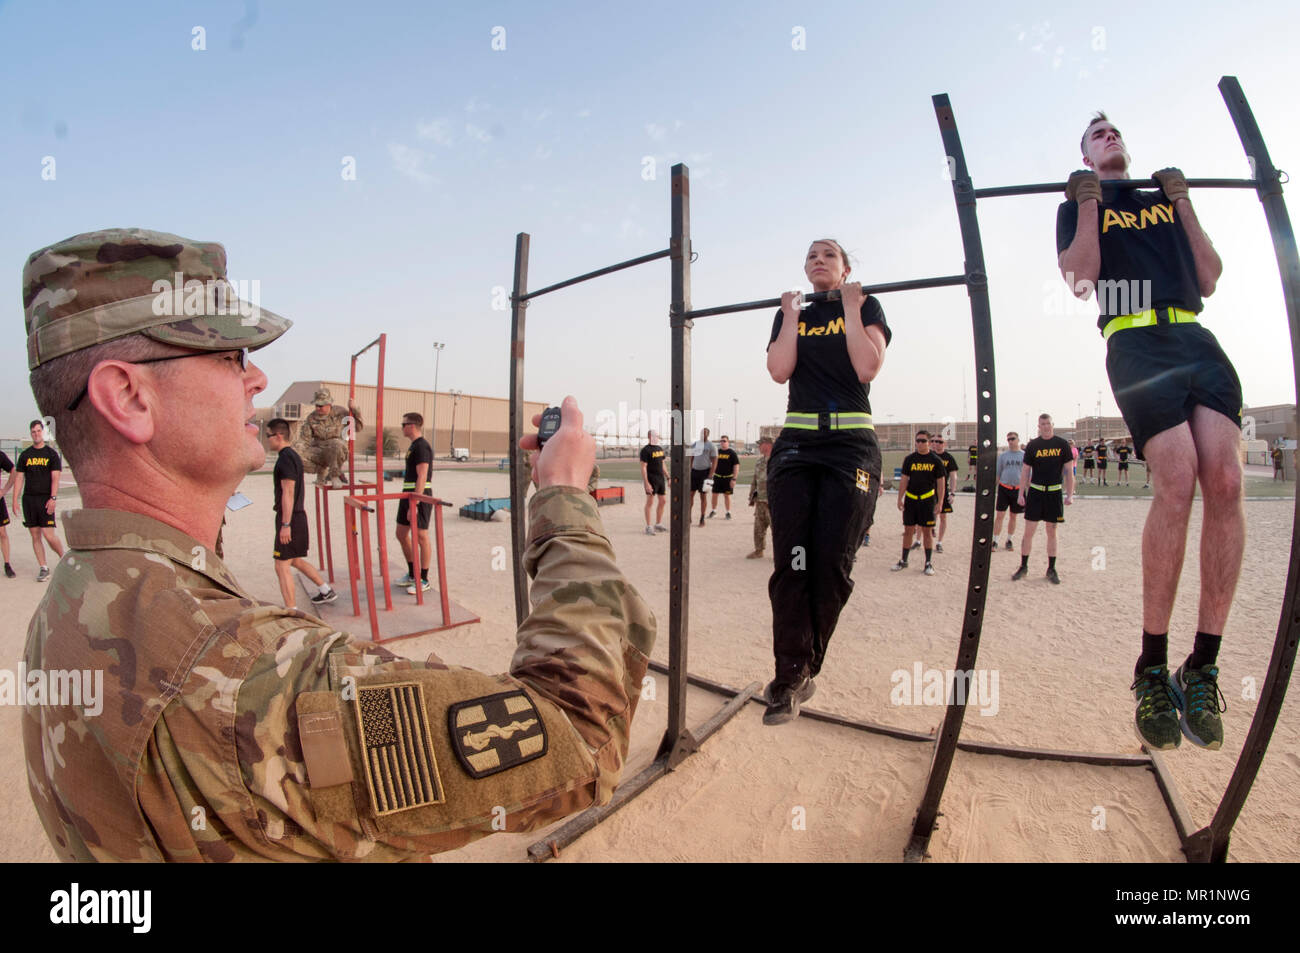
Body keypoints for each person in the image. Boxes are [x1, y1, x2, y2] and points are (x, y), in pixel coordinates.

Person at [21, 228, 654, 861]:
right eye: (229, 357)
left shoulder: (69, 605)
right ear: (129, 396)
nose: (257, 376)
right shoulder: (250, 676)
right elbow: (578, 736)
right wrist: (564, 498)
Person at [1058, 113, 1242, 751]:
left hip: (1192, 334)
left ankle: (1204, 663)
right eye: (1095, 133)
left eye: (1113, 130)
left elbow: (1210, 277)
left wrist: (1183, 201)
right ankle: (1152, 664)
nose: (1108, 135)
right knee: (1178, 476)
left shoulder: (1161, 201)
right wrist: (1087, 203)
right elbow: (1082, 282)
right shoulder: (1080, 203)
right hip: (1134, 341)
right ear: (1082, 153)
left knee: (1225, 476)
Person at [764, 238, 890, 725]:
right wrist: (791, 316)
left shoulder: (866, 304)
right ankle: (790, 675)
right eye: (811, 256)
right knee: (791, 564)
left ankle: (806, 663)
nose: (818, 260)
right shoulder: (791, 314)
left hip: (850, 446)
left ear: (845, 268)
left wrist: (853, 308)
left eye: (828, 256)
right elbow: (779, 371)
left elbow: (867, 365)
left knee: (831, 564)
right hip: (796, 445)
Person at [266, 418, 335, 608]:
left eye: (268, 436)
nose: (267, 440)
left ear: (278, 436)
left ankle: (292, 610)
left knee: (281, 565)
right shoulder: (292, 456)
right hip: (296, 516)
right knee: (295, 560)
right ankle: (325, 590)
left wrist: (285, 525)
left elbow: (288, 492)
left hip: (291, 518)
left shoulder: (285, 459)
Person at [1012, 414, 1073, 585]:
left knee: (1051, 531)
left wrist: (1070, 494)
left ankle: (1051, 569)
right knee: (1029, 531)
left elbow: (1069, 471)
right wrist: (1020, 494)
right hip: (1036, 493)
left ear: (1052, 424)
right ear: (1038, 426)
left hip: (1054, 493)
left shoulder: (1062, 445)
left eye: (1048, 423)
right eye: (1042, 424)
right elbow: (1025, 471)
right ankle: (1023, 566)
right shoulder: (1033, 445)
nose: (1045, 426)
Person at [14, 420, 65, 581]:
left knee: (48, 535)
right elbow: (19, 478)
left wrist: (53, 498)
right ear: (31, 434)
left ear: (42, 432)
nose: (36, 434)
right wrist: (15, 499)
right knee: (35, 535)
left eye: (38, 431)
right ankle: (43, 567)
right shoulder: (25, 455)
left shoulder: (51, 454)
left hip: (45, 499)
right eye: (33, 432)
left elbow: (55, 478)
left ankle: (64, 558)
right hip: (29, 500)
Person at [893, 430, 944, 576]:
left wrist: (940, 502)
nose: (920, 443)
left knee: (927, 532)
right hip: (911, 499)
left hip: (927, 500)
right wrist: (899, 498)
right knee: (908, 530)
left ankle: (928, 563)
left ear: (929, 442)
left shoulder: (935, 460)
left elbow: (941, 482)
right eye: (918, 441)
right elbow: (904, 479)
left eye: (923, 441)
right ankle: (904, 560)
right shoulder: (910, 459)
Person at [395, 411, 434, 594]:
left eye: (403, 424)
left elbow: (423, 475)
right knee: (401, 533)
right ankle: (412, 573)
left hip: (419, 495)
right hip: (407, 493)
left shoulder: (422, 446)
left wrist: (415, 503)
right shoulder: (413, 446)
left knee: (421, 535)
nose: (401, 427)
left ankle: (424, 578)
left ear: (412, 425)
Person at [295, 389, 363, 487]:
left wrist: (354, 410)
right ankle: (322, 471)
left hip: (336, 451)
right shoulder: (311, 418)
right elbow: (304, 439)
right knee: (293, 454)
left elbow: (357, 427)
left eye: (320, 405)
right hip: (318, 451)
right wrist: (297, 449)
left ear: (329, 404)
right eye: (316, 405)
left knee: (336, 444)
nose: (318, 408)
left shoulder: (341, 413)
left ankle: (334, 475)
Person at [993, 431, 1025, 550]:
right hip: (1004, 488)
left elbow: (1028, 474)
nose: (1011, 441)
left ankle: (1009, 539)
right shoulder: (1003, 456)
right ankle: (995, 540)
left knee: (1013, 516)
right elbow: (998, 473)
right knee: (1000, 515)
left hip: (1017, 489)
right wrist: (994, 488)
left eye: (1013, 439)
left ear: (1018, 439)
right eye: (1009, 440)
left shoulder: (1024, 455)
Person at [930, 434, 959, 553]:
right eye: (934, 441)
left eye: (940, 442)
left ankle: (939, 542)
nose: (937, 444)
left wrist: (952, 493)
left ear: (944, 444)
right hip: (929, 490)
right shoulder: (929, 456)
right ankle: (930, 529)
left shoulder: (948, 458)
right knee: (929, 515)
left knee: (943, 516)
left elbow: (953, 477)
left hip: (942, 491)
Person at [747, 435, 773, 558]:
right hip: (760, 501)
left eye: (760, 444)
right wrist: (752, 497)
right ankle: (759, 550)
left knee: (777, 530)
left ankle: (779, 554)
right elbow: (755, 481)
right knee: (758, 529)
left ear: (768, 445)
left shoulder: (778, 461)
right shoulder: (759, 462)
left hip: (773, 502)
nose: (758, 446)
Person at [640, 429, 668, 534]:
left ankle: (658, 524)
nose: (657, 437)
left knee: (663, 501)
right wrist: (646, 483)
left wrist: (668, 477)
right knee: (650, 502)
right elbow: (643, 468)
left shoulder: (660, 449)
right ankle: (648, 526)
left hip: (660, 479)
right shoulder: (645, 450)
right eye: (655, 435)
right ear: (650, 437)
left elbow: (663, 464)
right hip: (651, 479)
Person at [688, 427, 717, 527]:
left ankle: (702, 518)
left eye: (704, 433)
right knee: (690, 495)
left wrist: (710, 475)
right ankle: (688, 516)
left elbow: (714, 461)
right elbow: (691, 458)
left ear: (708, 434)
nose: (702, 435)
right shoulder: (695, 444)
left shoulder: (711, 446)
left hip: (705, 473)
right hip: (694, 472)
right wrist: (690, 470)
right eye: (701, 433)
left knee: (703, 496)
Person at [709, 435, 741, 519]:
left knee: (727, 495)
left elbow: (736, 466)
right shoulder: (717, 452)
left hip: (728, 478)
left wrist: (734, 479)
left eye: (724, 441)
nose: (722, 442)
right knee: (714, 494)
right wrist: (710, 475)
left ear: (728, 442)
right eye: (721, 441)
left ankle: (728, 512)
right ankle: (713, 511)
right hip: (717, 477)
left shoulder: (732, 453)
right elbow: (712, 464)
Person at [0, 449, 15, 577]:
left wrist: (4, 490)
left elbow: (13, 470)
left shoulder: (0, 455)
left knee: (2, 532)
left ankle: (7, 564)